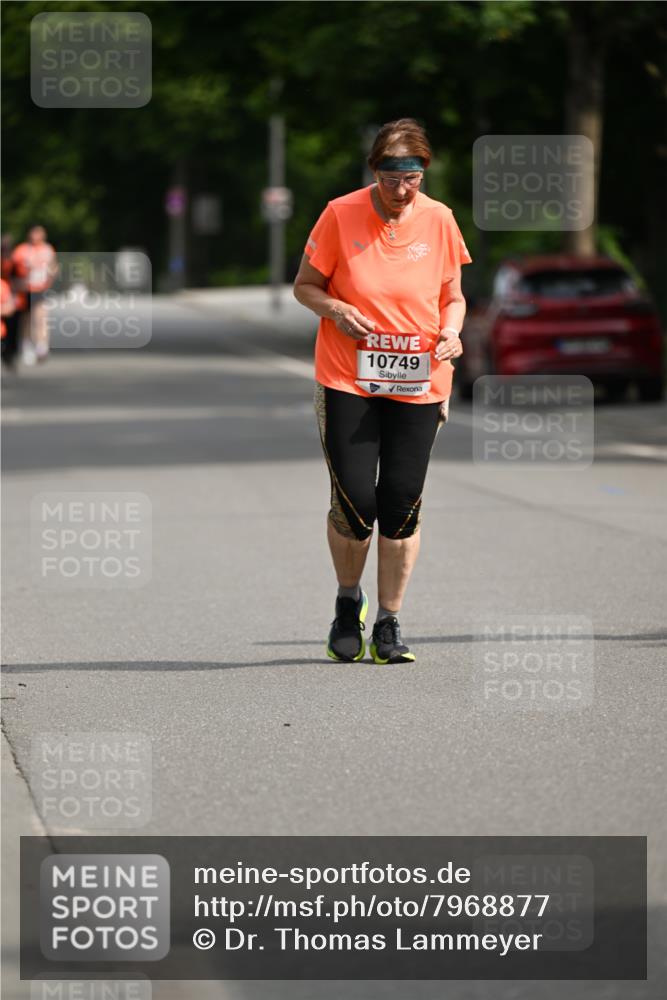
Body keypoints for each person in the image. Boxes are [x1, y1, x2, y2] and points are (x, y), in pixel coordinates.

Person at [293, 118, 472, 664]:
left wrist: (452, 332)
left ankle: (389, 623)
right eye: (393, 179)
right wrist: (335, 309)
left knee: (401, 502)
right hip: (349, 378)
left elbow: (453, 297)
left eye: (413, 179)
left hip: (420, 381)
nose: (402, 190)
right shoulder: (340, 213)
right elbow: (305, 286)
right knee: (355, 503)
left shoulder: (440, 219)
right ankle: (348, 604)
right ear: (375, 171)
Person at [11, 225, 58, 364]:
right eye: (35, 233)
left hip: (41, 288)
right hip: (25, 289)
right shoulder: (21, 250)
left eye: (40, 234)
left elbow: (54, 267)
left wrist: (51, 275)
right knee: (26, 319)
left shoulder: (47, 249)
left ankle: (42, 346)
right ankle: (26, 346)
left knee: (41, 317)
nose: (37, 236)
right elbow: (12, 269)